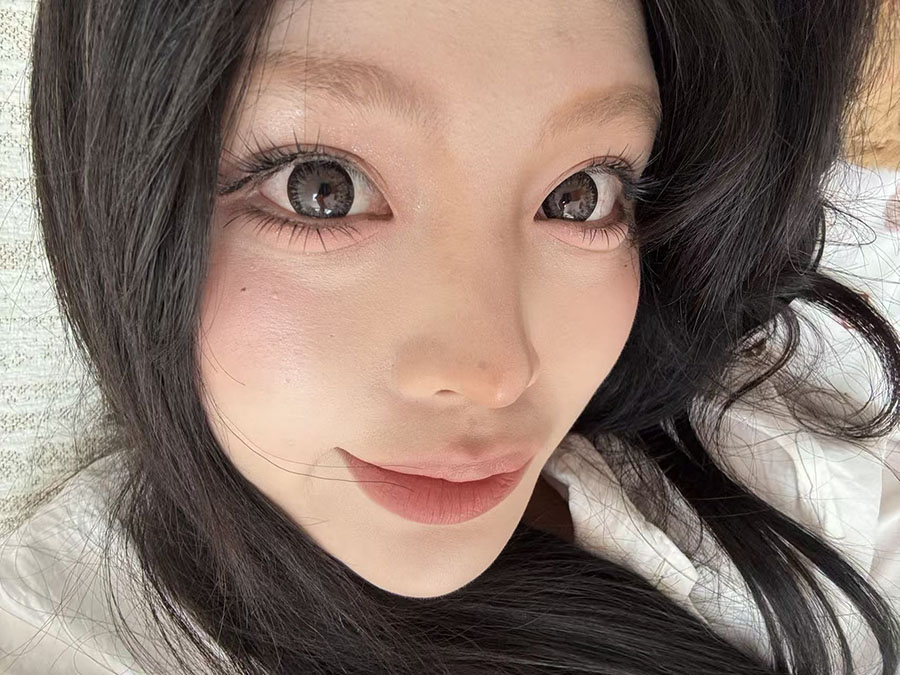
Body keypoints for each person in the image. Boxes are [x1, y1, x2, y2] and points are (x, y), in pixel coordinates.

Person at [1, 0, 899, 673]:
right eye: (322, 187)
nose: (495, 372)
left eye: (579, 194)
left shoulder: (760, 398)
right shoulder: (63, 632)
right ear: (126, 195)